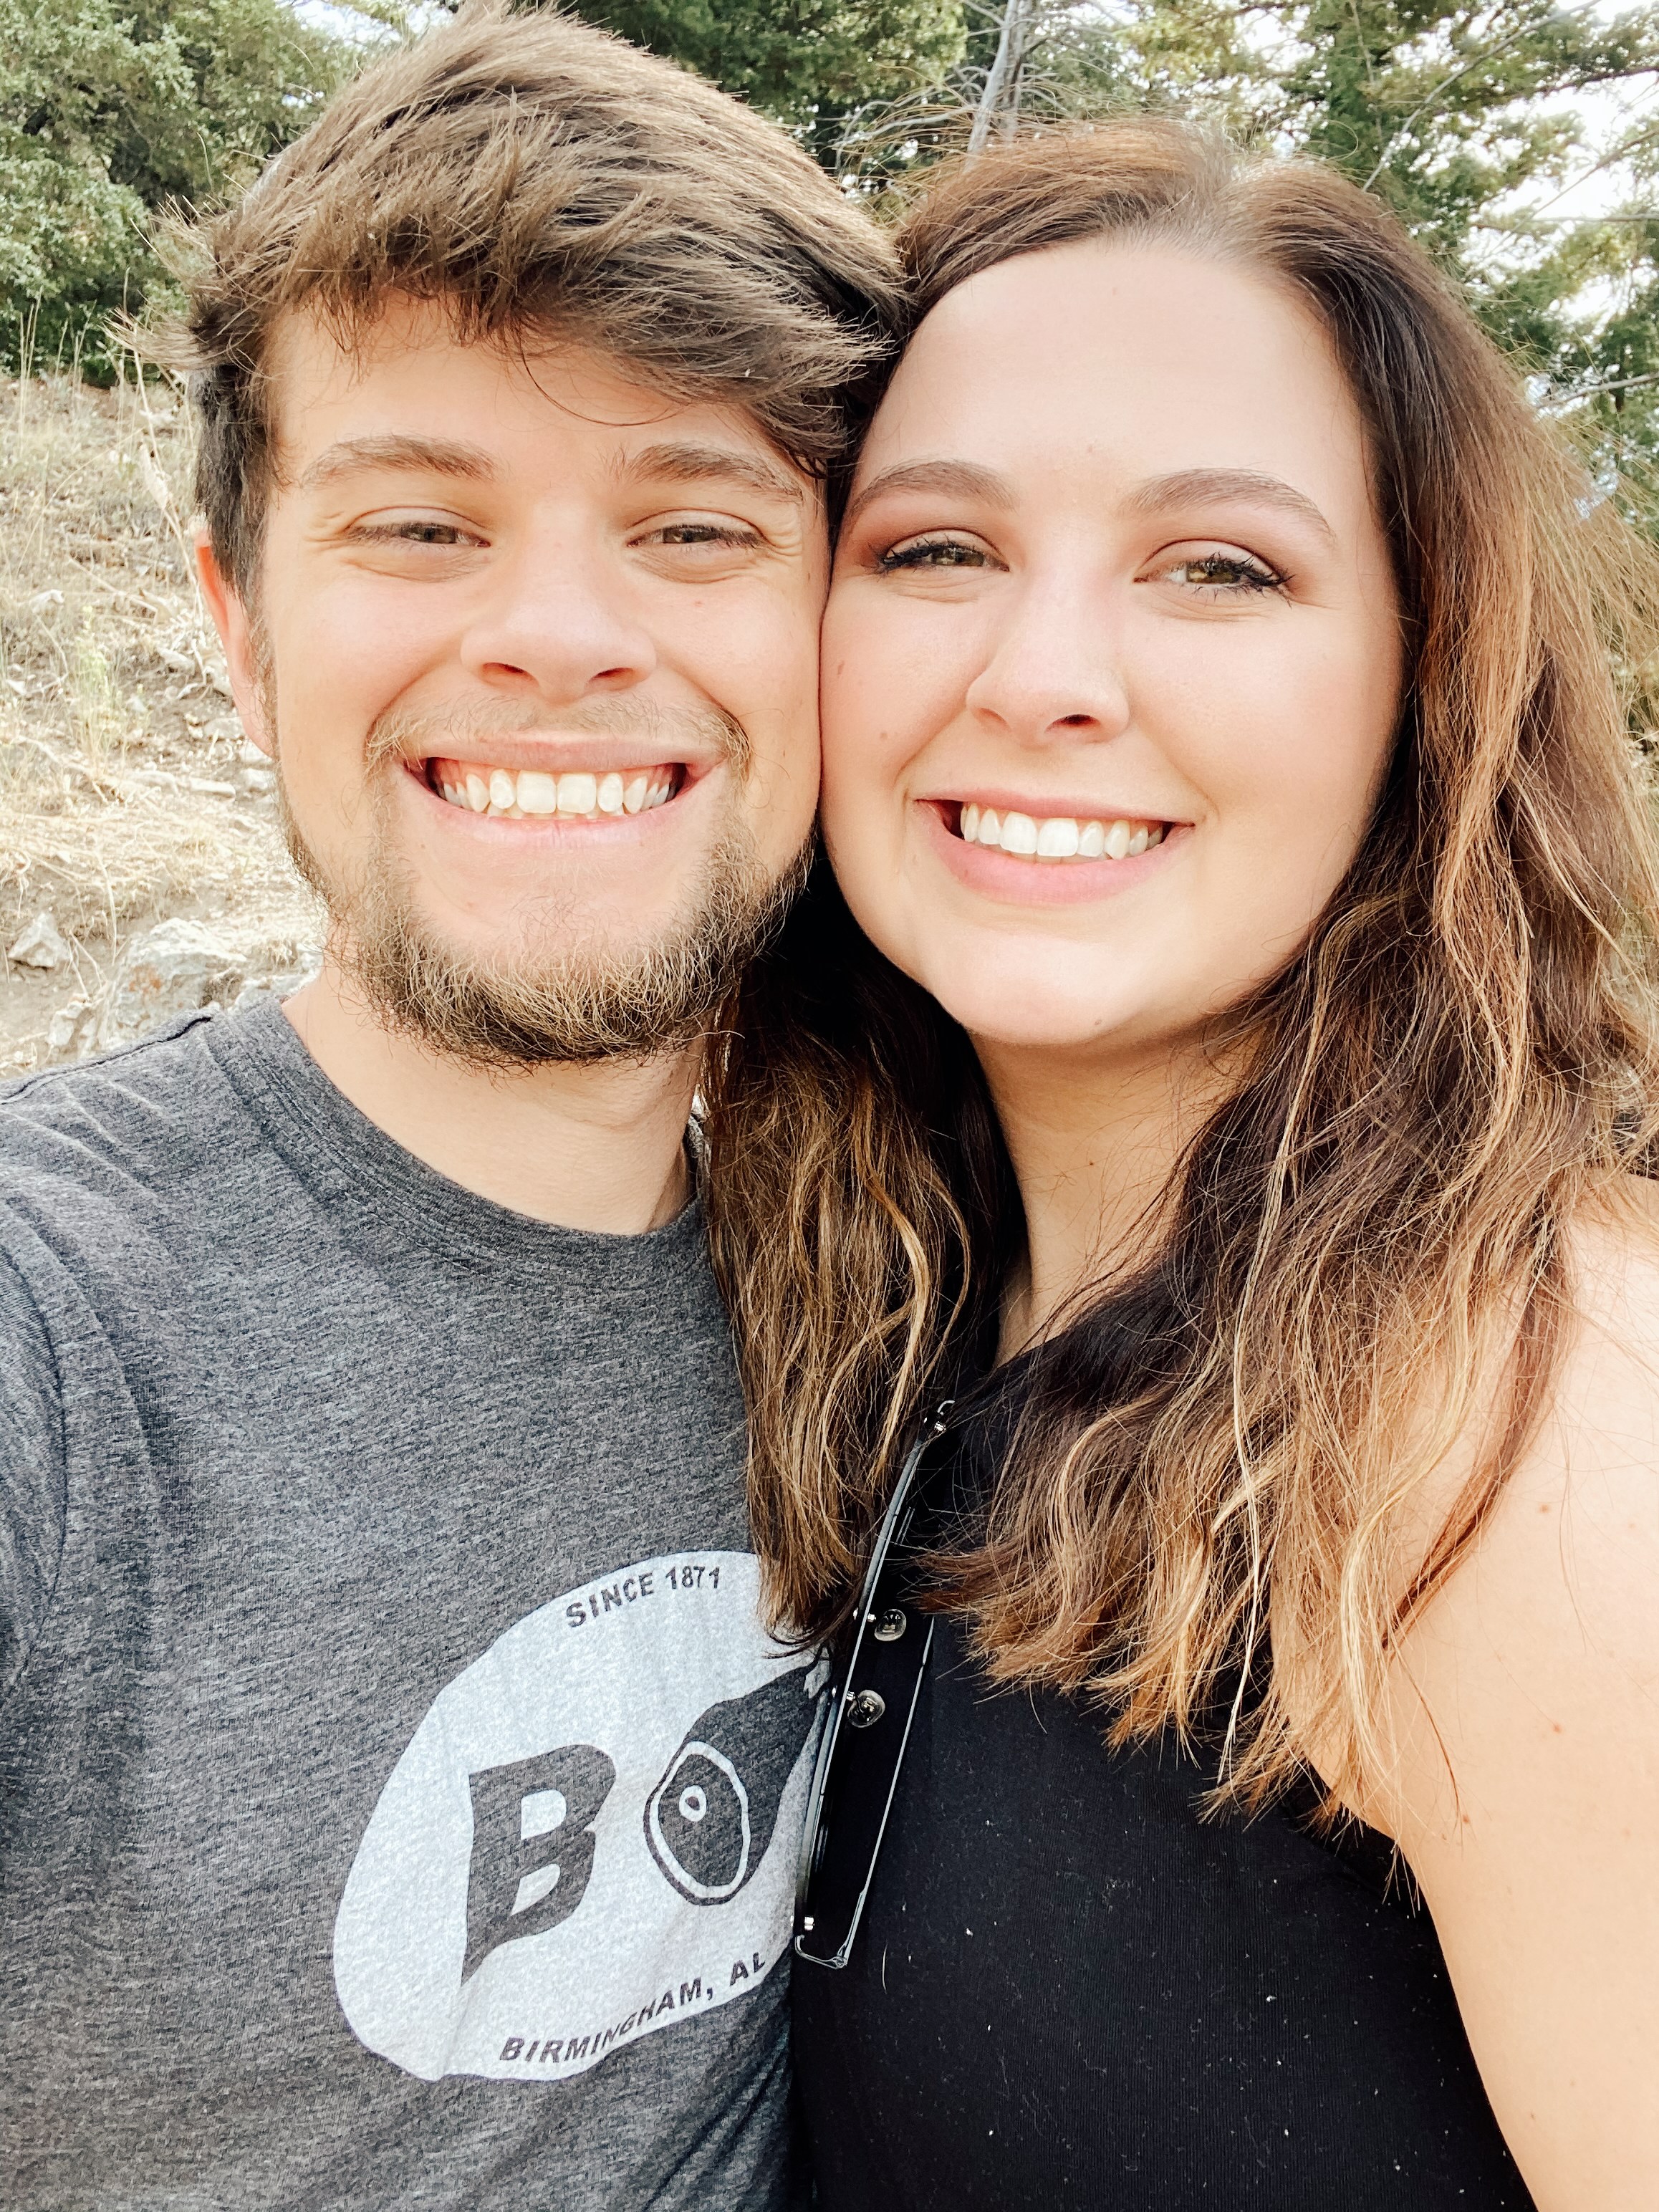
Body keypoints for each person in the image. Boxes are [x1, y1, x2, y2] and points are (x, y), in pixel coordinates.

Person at [705, 123, 1659, 2209]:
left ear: (1425, 679)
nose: (1042, 679)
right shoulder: (889, 1290)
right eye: (934, 548)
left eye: (1219, 567)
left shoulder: (1531, 1427)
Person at [0, 7, 901, 2206]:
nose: (559, 635)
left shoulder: (911, 1265)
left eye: (693, 526)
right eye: (419, 523)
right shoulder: (56, 1332)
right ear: (236, 625)